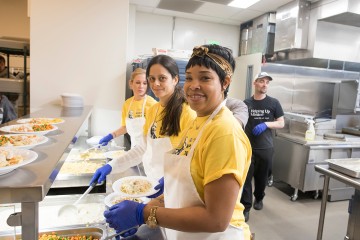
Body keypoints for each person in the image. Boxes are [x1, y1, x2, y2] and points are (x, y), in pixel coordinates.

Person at [103, 44, 252, 240]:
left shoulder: (224, 132)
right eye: (189, 77)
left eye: (205, 78)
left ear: (225, 82)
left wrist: (143, 213)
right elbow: (187, 188)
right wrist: (146, 210)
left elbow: (216, 219)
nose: (193, 85)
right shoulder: (199, 122)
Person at [90, 54, 196, 184]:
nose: (155, 84)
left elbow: (190, 161)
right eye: (152, 79)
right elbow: (143, 148)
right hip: (152, 180)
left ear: (175, 79)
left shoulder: (187, 113)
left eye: (162, 78)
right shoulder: (154, 110)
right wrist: (113, 166)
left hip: (174, 186)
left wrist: (169, 181)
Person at [241, 72, 284, 222]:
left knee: (261, 178)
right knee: (246, 179)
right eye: (261, 81)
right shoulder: (246, 103)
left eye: (267, 82)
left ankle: (259, 197)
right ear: (255, 83)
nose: (265, 84)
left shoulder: (274, 103)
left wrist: (266, 124)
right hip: (248, 147)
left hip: (265, 148)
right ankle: (246, 207)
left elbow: (281, 123)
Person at [98, 68, 157, 148]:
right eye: (137, 82)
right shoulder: (127, 104)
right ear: (131, 84)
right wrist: (110, 136)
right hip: (134, 148)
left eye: (144, 83)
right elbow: (125, 127)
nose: (141, 86)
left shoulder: (152, 104)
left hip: (149, 149)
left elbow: (157, 132)